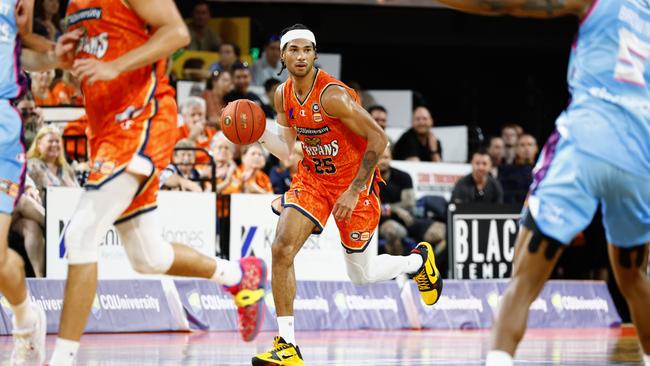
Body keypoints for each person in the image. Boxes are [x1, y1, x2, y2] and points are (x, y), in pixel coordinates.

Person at [47, 2, 266, 365]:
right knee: (149, 257)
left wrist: (114, 66)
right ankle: (239, 274)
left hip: (141, 116)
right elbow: (101, 53)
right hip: (104, 129)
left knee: (81, 234)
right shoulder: (75, 5)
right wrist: (70, 61)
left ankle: (62, 359)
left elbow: (177, 33)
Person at [434, 1, 650, 366]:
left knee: (523, 281)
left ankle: (500, 359)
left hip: (585, 146)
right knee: (633, 276)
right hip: (639, 158)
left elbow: (506, 4)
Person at [251, 24, 442, 365]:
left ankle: (417, 263)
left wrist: (355, 191)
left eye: (306, 50)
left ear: (314, 54)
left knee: (362, 275)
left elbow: (379, 140)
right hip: (313, 180)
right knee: (281, 248)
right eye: (293, 50)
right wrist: (257, 133)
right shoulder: (281, 95)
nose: (300, 56)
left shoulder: (332, 96)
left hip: (355, 183)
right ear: (282, 55)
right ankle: (287, 346)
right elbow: (286, 150)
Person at [0, 0, 68, 363]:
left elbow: (27, 52)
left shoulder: (15, 6)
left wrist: (60, 54)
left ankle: (26, 319)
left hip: (2, 135)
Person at [27, 125, 79, 203]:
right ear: (39, 144)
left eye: (57, 141)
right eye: (50, 141)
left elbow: (78, 191)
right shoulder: (31, 165)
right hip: (42, 211)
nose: (54, 145)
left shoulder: (66, 168)